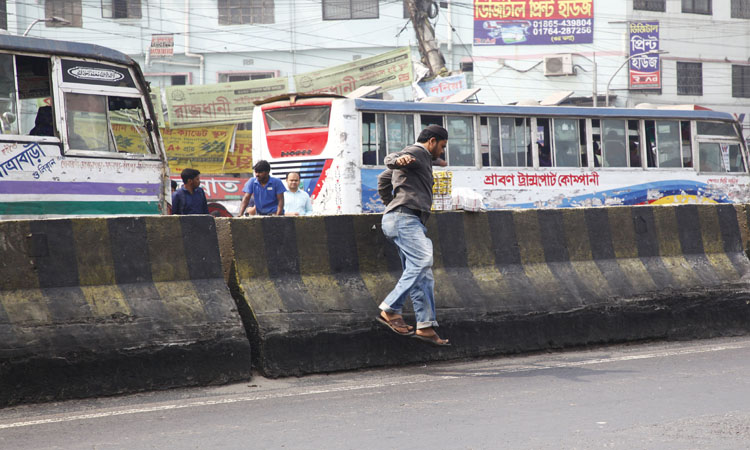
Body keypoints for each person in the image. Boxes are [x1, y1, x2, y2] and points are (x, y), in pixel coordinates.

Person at [376, 125, 450, 346]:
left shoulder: (423, 160)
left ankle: (425, 325)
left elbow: (382, 179)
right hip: (404, 219)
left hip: (405, 219)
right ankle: (389, 309)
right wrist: (397, 161)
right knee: (423, 261)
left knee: (421, 272)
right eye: (442, 146)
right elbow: (391, 160)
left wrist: (390, 204)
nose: (442, 152)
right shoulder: (418, 152)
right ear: (432, 141)